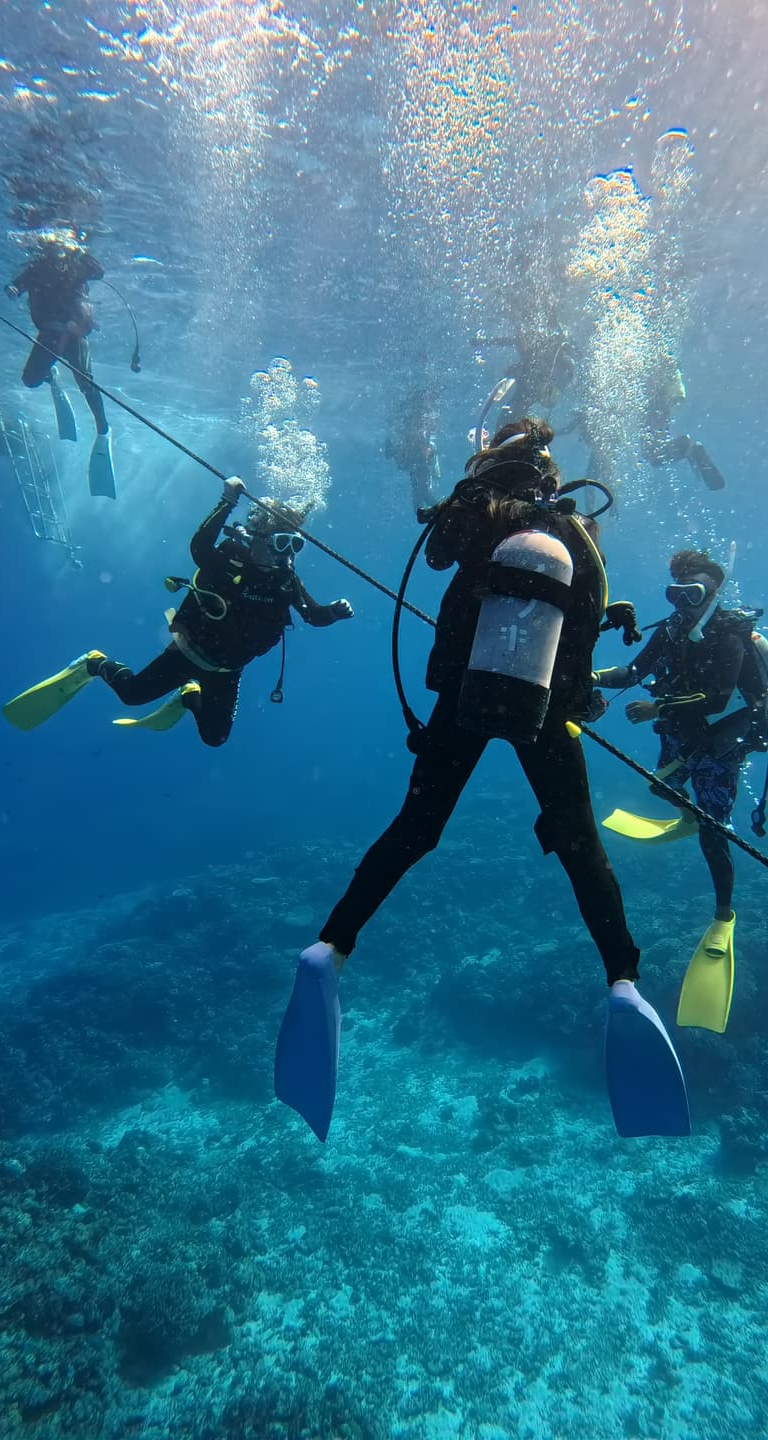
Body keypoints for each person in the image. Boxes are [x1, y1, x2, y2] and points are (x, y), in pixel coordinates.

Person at [273, 418, 691, 1143]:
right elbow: (583, 628)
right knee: (580, 842)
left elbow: (435, 557)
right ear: (553, 481)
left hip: (462, 701)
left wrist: (469, 492)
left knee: (415, 830)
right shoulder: (575, 535)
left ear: (496, 466)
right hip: (543, 713)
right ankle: (623, 980)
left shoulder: (481, 517)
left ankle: (330, 948)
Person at [0, 478, 353, 746]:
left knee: (215, 738)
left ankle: (189, 695)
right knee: (132, 695)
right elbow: (199, 548)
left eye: (295, 546)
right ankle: (94, 664)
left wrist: (334, 612)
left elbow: (312, 615)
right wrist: (226, 502)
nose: (286, 555)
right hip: (187, 653)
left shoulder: (286, 581)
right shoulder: (230, 558)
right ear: (260, 538)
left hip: (228, 670)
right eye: (280, 544)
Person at [591, 548, 768, 1034]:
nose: (680, 603)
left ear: (713, 592)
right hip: (680, 726)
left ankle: (723, 916)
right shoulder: (670, 630)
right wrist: (588, 677)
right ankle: (691, 814)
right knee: (663, 788)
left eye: (690, 593)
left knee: (713, 832)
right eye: (674, 593)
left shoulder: (730, 633)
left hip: (721, 737)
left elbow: (717, 697)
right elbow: (633, 672)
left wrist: (657, 707)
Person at [5, 231, 116, 497]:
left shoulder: (76, 266)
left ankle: (103, 427)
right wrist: (13, 290)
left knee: (85, 383)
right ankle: (50, 377)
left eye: (59, 250)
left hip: (74, 334)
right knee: (30, 381)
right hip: (49, 336)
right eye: (50, 250)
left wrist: (80, 253)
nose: (55, 256)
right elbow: (16, 285)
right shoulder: (35, 269)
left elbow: (98, 272)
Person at [641, 356, 725, 490]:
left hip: (654, 400)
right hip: (660, 398)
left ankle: (690, 449)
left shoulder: (647, 357)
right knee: (653, 455)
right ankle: (690, 449)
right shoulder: (660, 356)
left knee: (653, 455)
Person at [384, 381, 442, 517]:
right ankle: (436, 512)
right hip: (417, 462)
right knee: (420, 491)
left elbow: (392, 451)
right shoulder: (411, 436)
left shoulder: (418, 437)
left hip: (419, 462)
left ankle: (437, 512)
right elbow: (391, 451)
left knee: (422, 491)